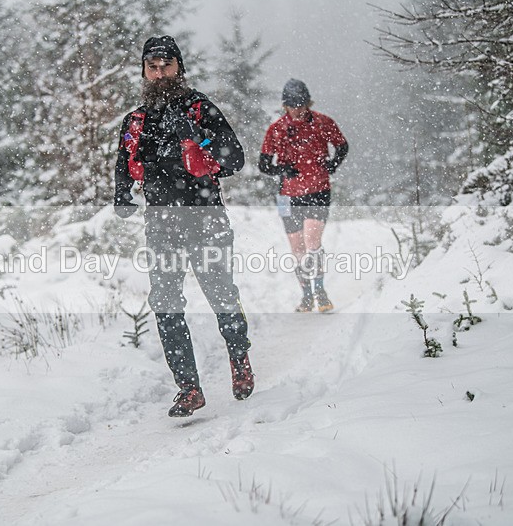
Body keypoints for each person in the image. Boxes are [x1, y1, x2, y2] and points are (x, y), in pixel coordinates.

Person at [114, 36, 254, 417]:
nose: (159, 74)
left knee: (220, 293)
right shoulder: (136, 120)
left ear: (179, 67)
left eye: (166, 66)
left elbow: (235, 159)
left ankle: (239, 358)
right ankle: (189, 388)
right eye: (152, 67)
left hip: (206, 217)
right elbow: (123, 159)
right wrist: (122, 193)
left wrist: (193, 138)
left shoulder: (199, 108)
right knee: (165, 302)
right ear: (144, 71)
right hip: (161, 223)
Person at [259, 79, 349, 313]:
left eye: (301, 104)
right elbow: (264, 165)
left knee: (312, 242)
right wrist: (282, 170)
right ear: (284, 105)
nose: (297, 109)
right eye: (292, 105)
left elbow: (342, 145)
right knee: (296, 248)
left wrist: (333, 164)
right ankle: (306, 295)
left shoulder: (322, 122)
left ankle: (320, 290)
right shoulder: (276, 129)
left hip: (318, 190)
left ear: (308, 102)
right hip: (286, 196)